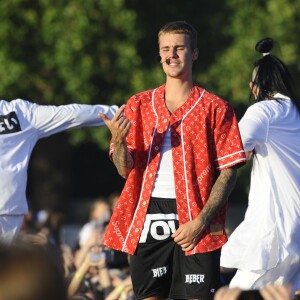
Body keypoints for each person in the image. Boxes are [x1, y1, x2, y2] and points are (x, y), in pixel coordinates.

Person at [100, 20, 246, 300]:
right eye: (165, 49)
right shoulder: (138, 104)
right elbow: (124, 170)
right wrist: (118, 141)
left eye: (179, 48)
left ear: (194, 54)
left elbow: (229, 172)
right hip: (148, 213)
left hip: (197, 218)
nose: (172, 55)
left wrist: (201, 222)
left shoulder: (216, 107)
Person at [220, 37, 300, 296]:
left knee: (232, 295)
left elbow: (229, 151)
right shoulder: (295, 112)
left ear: (254, 87)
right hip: (296, 233)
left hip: (276, 234)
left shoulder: (264, 112)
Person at [0, 99, 118, 243]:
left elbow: (72, 114)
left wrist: (117, 113)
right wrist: (118, 112)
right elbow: (73, 114)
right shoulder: (18, 113)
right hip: (9, 209)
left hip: (8, 211)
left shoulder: (19, 114)